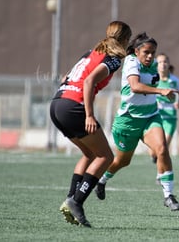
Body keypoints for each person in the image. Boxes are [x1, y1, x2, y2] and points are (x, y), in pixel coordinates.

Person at [50, 21, 132, 227]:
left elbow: (66, 78)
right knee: (106, 157)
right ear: (124, 39)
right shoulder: (113, 59)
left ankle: (71, 197)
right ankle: (76, 201)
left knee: (89, 154)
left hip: (57, 104)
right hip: (74, 107)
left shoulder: (90, 53)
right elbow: (89, 82)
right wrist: (89, 115)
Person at [94, 32, 179, 211]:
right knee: (122, 161)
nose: (150, 56)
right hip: (128, 121)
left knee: (162, 149)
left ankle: (168, 195)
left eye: (153, 52)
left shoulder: (155, 65)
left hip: (150, 117)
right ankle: (102, 180)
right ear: (136, 51)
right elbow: (135, 86)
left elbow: (166, 78)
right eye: (146, 52)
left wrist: (173, 95)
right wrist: (161, 92)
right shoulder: (131, 62)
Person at [149, 53, 179, 164]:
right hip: (155, 115)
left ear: (169, 64)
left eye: (165, 61)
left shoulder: (175, 81)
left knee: (163, 147)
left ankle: (161, 175)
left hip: (170, 117)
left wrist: (178, 102)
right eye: (160, 62)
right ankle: (154, 157)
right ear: (156, 65)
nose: (163, 64)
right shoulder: (152, 79)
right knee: (154, 150)